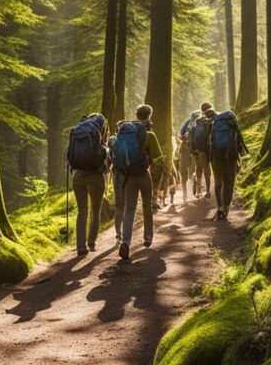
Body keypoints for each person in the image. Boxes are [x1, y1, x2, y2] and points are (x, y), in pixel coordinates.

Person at [110, 104, 165, 260]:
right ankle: (147, 237)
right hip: (143, 176)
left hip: (128, 178)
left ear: (136, 114)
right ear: (150, 115)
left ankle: (125, 242)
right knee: (147, 205)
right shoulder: (148, 134)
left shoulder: (124, 133)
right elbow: (157, 158)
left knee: (129, 209)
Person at [66, 114, 109, 257]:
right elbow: (106, 161)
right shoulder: (98, 136)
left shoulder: (78, 132)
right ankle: (91, 241)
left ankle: (80, 247)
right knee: (95, 210)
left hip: (77, 175)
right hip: (95, 176)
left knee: (82, 211)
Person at [208, 109, 247, 220]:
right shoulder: (232, 123)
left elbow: (209, 143)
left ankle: (219, 207)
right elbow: (239, 141)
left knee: (218, 183)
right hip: (231, 158)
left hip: (216, 159)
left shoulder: (213, 124)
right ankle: (226, 209)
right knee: (229, 184)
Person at [189, 104, 214, 199]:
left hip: (196, 150)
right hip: (206, 150)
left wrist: (192, 148)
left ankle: (198, 191)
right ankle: (207, 191)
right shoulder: (211, 121)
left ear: (201, 110)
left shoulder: (196, 120)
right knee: (207, 170)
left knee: (198, 168)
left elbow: (189, 133)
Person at [177, 111, 200, 201]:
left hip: (185, 148)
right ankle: (197, 188)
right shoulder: (202, 122)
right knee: (195, 168)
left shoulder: (188, 122)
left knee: (184, 170)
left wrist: (184, 139)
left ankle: (185, 193)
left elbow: (180, 135)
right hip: (196, 149)